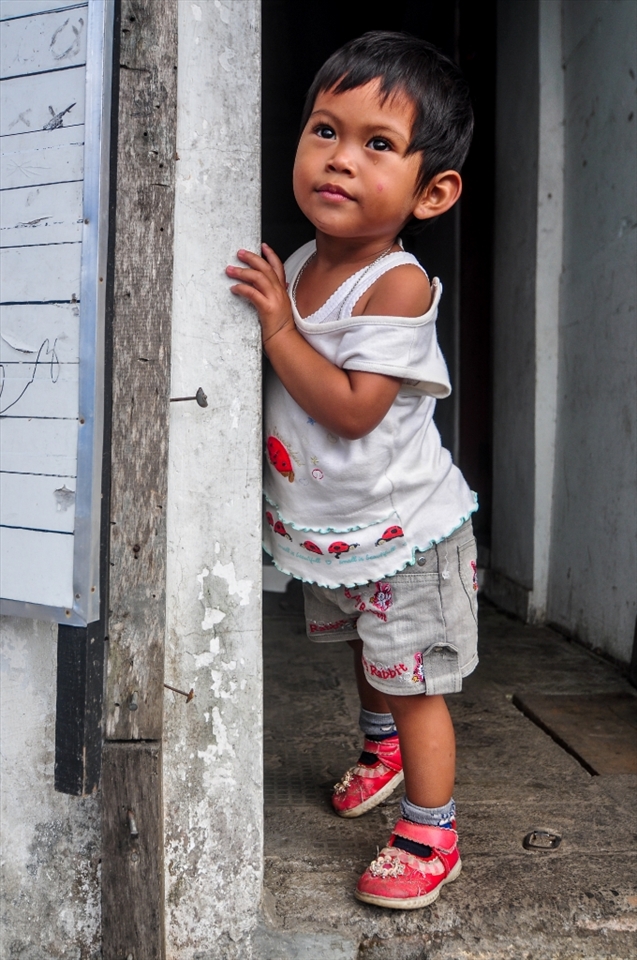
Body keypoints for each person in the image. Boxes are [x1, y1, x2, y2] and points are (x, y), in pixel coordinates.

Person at [227, 31, 478, 910]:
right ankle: (380, 754)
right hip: (339, 527)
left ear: (432, 190)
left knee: (415, 685)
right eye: (324, 130)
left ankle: (428, 828)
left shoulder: (394, 285)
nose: (338, 159)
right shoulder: (297, 266)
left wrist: (276, 329)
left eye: (377, 144)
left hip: (407, 533)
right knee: (369, 660)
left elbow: (350, 407)